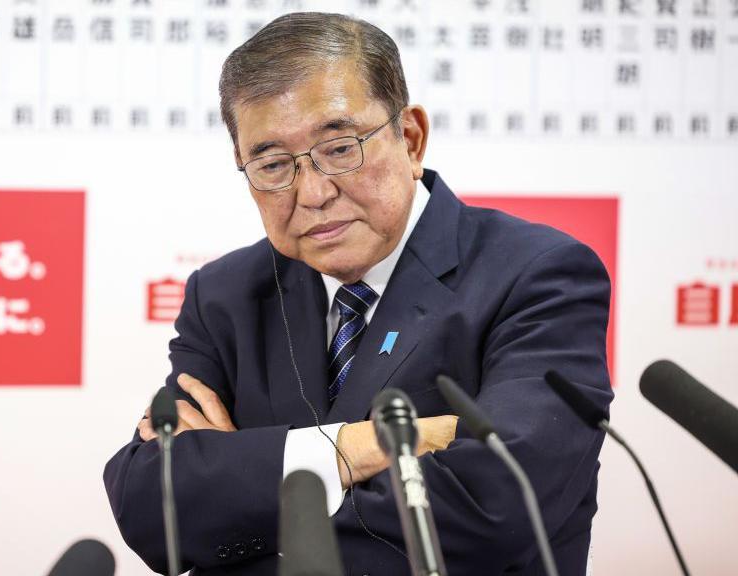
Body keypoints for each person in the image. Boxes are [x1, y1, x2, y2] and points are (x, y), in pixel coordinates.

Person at [104, 12, 612, 576]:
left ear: (411, 138)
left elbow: (500, 508)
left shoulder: (537, 274)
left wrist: (244, 482)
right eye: (273, 164)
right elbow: (153, 507)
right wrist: (357, 448)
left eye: (341, 148)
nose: (314, 192)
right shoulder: (224, 294)